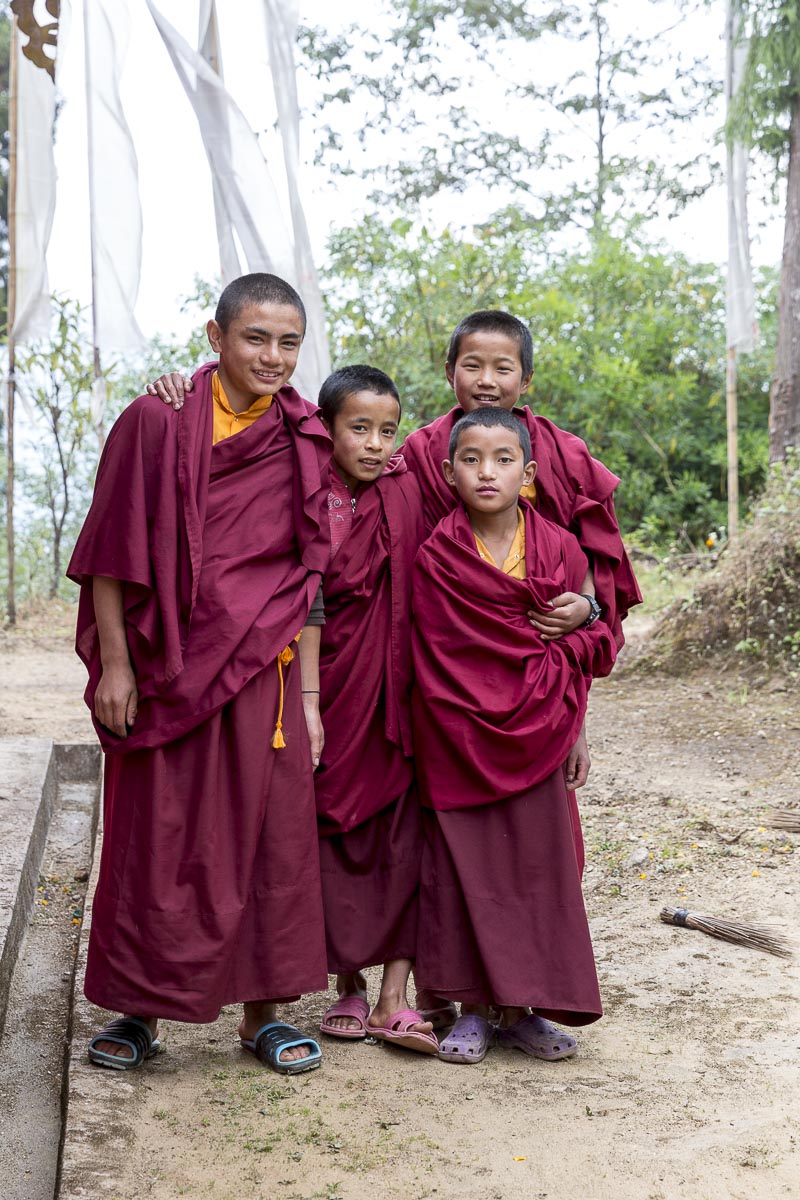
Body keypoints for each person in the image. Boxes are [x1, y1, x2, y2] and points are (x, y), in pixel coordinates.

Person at [67, 273, 333, 1076]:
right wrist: (115, 665)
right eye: (256, 337)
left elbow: (308, 570)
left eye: (289, 342)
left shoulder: (306, 435)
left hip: (266, 672)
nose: (274, 357)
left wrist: (313, 699)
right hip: (163, 667)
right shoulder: (158, 417)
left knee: (269, 838)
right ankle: (138, 1009)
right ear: (215, 338)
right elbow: (112, 549)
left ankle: (266, 1014)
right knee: (158, 835)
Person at [410, 406, 618, 1064]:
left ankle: (524, 1010)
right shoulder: (438, 554)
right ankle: (471, 1009)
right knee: (465, 870)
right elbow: (434, 652)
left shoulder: (559, 545)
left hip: (543, 729)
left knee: (536, 867)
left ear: (528, 473)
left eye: (503, 460)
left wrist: (575, 728)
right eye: (470, 459)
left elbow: (587, 640)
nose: (486, 472)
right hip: (459, 735)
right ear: (448, 473)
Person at [313, 365, 436, 1054]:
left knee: (402, 834)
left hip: (396, 689)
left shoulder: (408, 492)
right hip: (325, 684)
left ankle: (396, 997)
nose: (376, 444)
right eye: (359, 428)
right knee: (332, 835)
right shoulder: (306, 491)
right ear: (327, 428)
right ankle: (349, 985)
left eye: (388, 431)